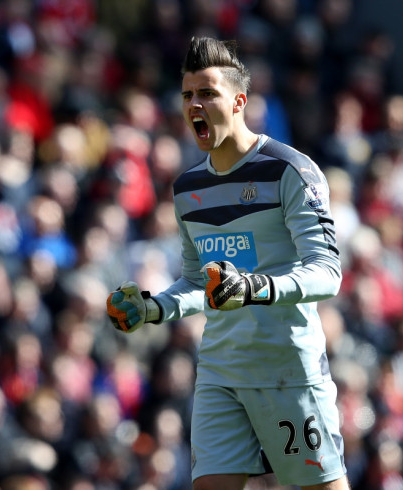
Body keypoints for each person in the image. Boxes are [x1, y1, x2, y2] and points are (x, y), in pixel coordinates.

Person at [106, 37, 349, 490]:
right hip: (220, 371)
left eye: (207, 93)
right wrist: (153, 307)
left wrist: (257, 288)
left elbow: (327, 272)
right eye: (187, 95)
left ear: (239, 101)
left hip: (286, 370)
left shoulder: (290, 170)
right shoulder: (187, 189)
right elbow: (200, 281)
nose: (194, 105)